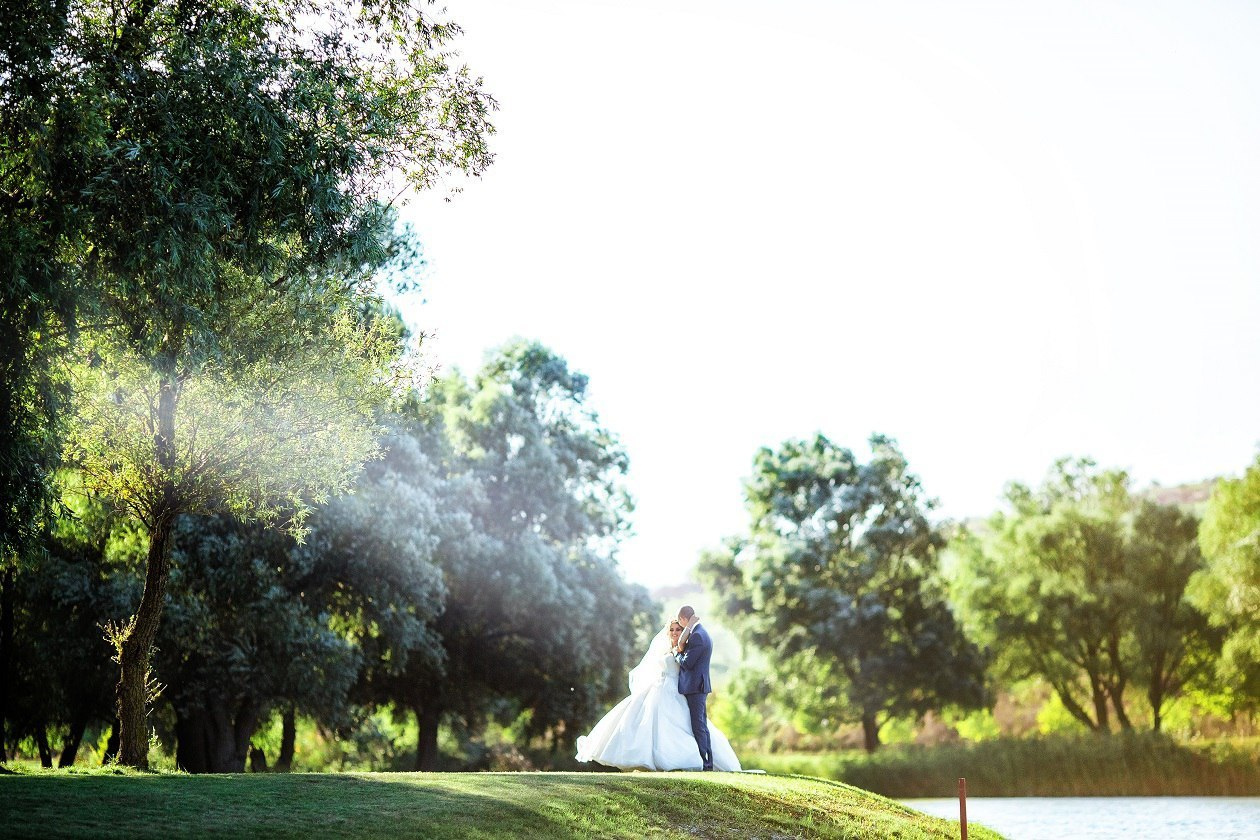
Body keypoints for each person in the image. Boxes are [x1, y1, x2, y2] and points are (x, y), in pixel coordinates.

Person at [575, 610, 741, 772]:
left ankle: (697, 760)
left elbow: (687, 664)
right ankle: (650, 759)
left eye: (678, 629)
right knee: (646, 721)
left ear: (683, 630)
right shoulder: (664, 647)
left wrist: (678, 650)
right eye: (672, 629)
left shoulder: (686, 646)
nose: (675, 632)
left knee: (689, 724)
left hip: (678, 690)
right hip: (660, 687)